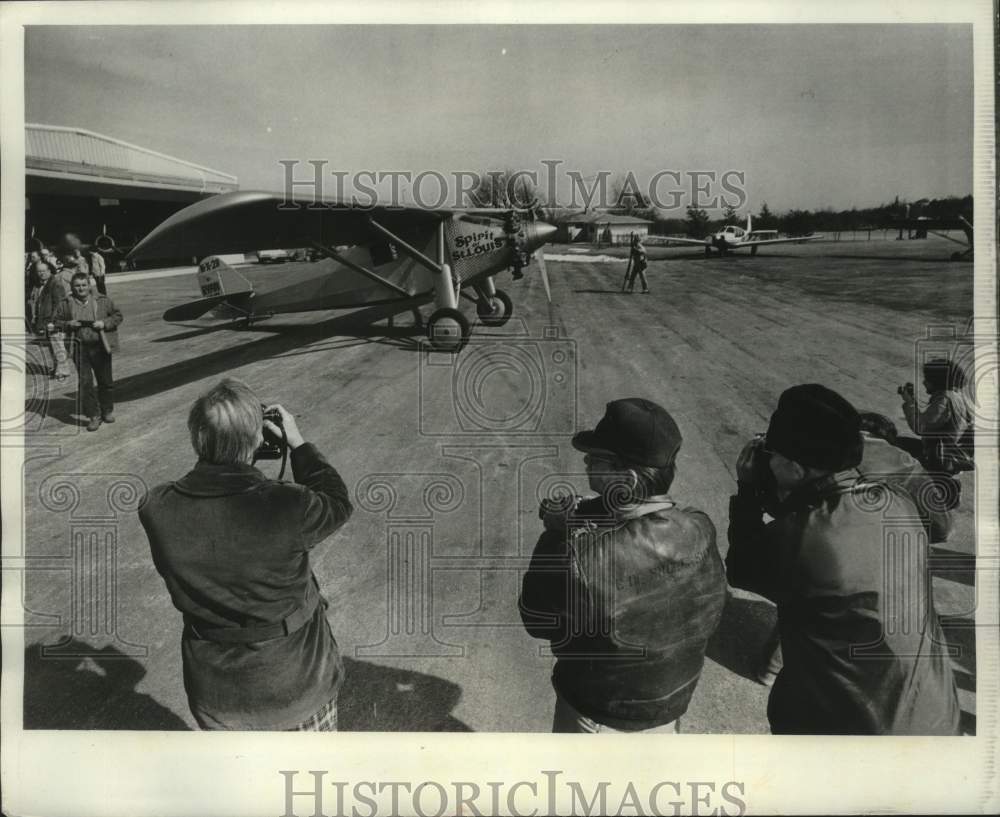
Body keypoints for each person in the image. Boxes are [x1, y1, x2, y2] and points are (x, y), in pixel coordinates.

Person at [727, 384, 960, 734]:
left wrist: (746, 493)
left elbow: (741, 568)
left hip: (856, 736)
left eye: (771, 452)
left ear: (794, 467)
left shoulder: (801, 536)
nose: (766, 459)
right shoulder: (898, 503)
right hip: (936, 717)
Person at [138, 379, 353, 730]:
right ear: (256, 439)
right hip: (296, 688)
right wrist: (297, 443)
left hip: (217, 696)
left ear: (197, 437)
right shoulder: (288, 505)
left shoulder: (157, 507)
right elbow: (337, 502)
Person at [519, 398, 727, 733]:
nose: (586, 460)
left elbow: (536, 619)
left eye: (598, 459)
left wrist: (558, 534)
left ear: (627, 479)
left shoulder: (580, 558)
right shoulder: (699, 525)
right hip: (670, 705)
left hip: (601, 712)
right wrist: (595, 511)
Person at [51, 271, 122, 431]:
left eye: (84, 285)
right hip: (79, 348)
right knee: (85, 383)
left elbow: (118, 316)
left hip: (100, 346)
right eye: (77, 286)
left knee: (106, 381)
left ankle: (107, 410)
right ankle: (93, 416)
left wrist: (104, 323)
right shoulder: (66, 303)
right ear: (72, 287)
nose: (81, 288)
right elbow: (55, 322)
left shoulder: (103, 300)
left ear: (89, 286)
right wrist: (68, 324)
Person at [897, 358, 974, 475]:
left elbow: (920, 427)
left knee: (892, 444)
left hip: (936, 459)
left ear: (938, 382)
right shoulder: (958, 396)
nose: (924, 383)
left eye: (927, 379)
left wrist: (909, 402)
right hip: (948, 455)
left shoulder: (944, 400)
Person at [32, 261, 72, 380]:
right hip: (44, 321)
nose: (41, 274)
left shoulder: (55, 284)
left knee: (58, 345)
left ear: (49, 271)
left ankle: (63, 370)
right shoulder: (39, 285)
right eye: (39, 271)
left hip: (53, 322)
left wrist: (53, 321)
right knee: (51, 346)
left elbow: (58, 304)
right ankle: (57, 367)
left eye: (44, 271)